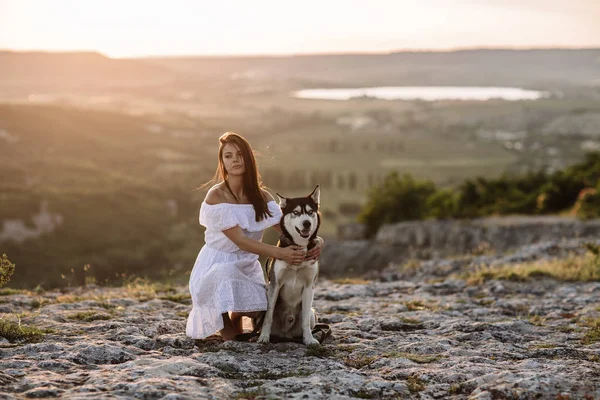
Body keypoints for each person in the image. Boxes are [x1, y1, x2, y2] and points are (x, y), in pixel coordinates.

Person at [186, 132, 325, 341]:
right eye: (228, 156)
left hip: (247, 265)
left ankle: (236, 317)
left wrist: (317, 240)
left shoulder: (263, 197)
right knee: (234, 340)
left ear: (249, 159)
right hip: (217, 265)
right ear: (222, 162)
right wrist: (279, 252)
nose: (234, 160)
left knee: (261, 309)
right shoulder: (216, 196)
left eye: (240, 155)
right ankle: (224, 320)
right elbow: (240, 240)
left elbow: (287, 229)